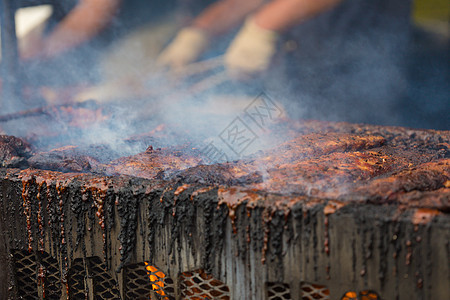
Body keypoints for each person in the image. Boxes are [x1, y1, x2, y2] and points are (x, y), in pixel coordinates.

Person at [157, 0, 413, 126]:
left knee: (344, 176)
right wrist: (199, 33)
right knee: (218, 152)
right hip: (285, 92)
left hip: (352, 89)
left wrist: (263, 26)